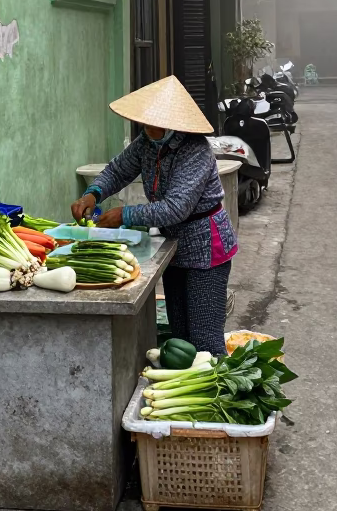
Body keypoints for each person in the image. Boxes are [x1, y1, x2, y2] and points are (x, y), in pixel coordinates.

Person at [71, 75, 237, 355]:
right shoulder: (148, 142)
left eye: (153, 122)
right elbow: (118, 170)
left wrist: (125, 215)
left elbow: (175, 208)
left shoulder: (196, 151)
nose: (147, 128)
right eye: (145, 122)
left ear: (172, 122)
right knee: (181, 339)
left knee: (205, 343)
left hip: (206, 248)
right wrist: (94, 192)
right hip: (174, 247)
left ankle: (214, 395)